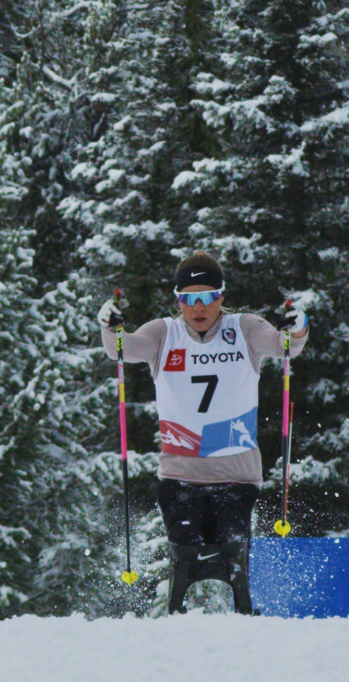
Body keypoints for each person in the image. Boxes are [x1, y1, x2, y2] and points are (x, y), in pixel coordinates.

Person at [97, 251, 309, 615]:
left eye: (207, 297)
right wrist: (109, 325)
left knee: (233, 545)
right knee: (184, 544)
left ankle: (245, 613)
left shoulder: (244, 328)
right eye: (188, 299)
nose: (198, 307)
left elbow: (283, 345)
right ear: (178, 300)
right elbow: (124, 350)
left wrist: (298, 326)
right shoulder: (164, 332)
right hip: (181, 474)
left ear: (221, 296)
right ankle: (175, 614)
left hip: (237, 474)